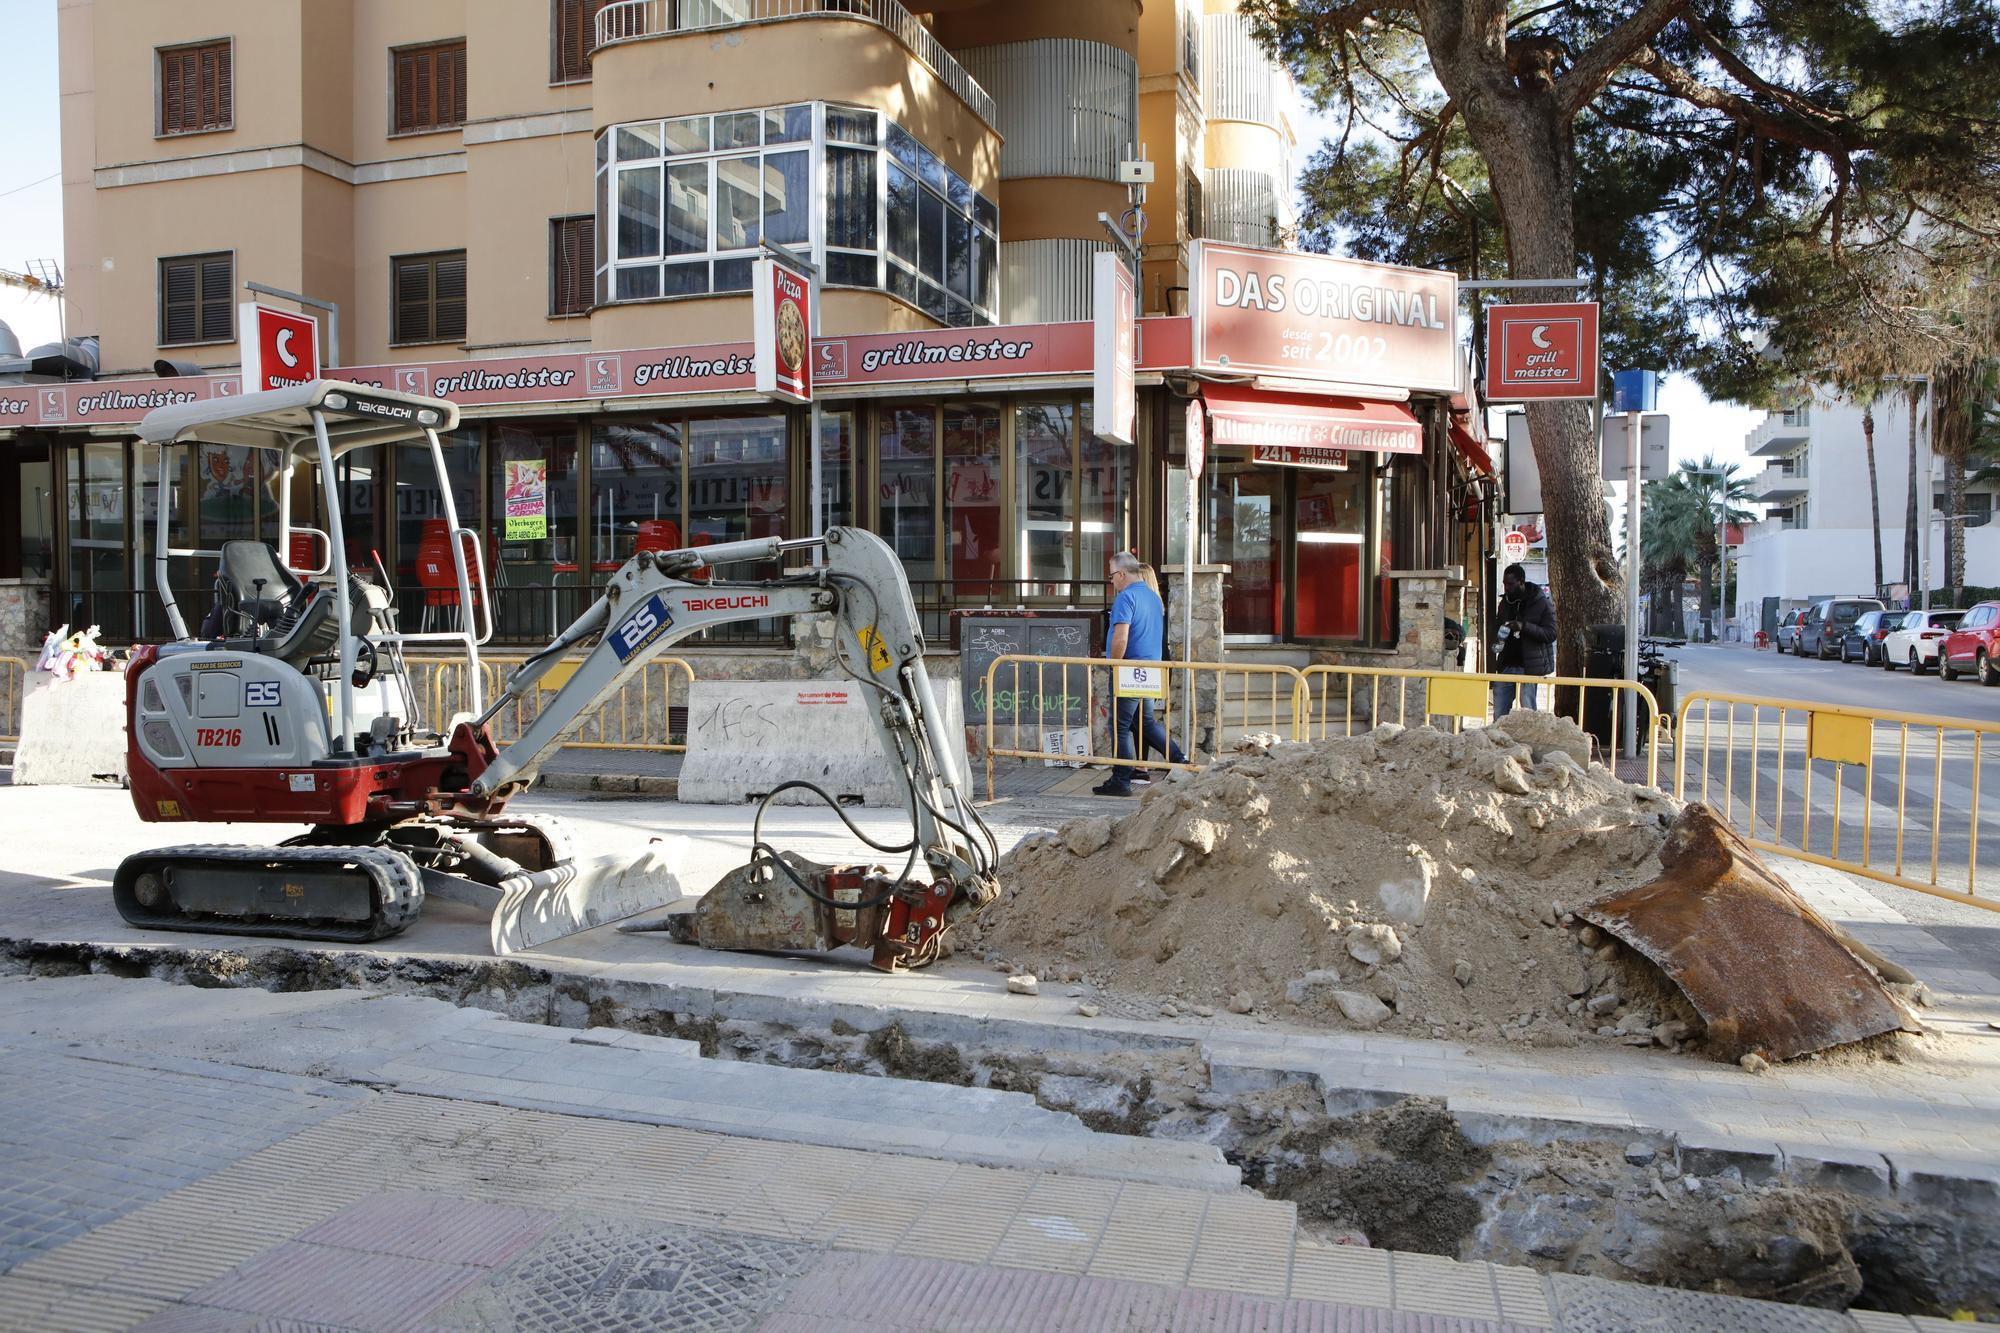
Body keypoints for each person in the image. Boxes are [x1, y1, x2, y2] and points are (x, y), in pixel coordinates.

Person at [1096, 550, 1186, 796]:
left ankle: (1121, 779)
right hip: (1150, 669)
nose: (1111, 580)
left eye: (1112, 575)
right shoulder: (1152, 596)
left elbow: (1121, 636)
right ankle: (1180, 760)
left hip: (1128, 669)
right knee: (1145, 723)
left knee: (1121, 726)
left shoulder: (1126, 598)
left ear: (1122, 573)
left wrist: (1114, 663)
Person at [1491, 562, 1556, 717]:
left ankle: (1529, 741)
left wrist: (1524, 627)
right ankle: (1497, 739)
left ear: (1521, 582)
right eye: (1504, 584)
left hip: (1529, 666)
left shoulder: (1541, 602)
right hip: (1506, 663)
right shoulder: (1505, 603)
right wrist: (1499, 636)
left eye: (1510, 584)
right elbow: (1497, 626)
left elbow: (1551, 633)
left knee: (1528, 712)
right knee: (1499, 711)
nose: (1506, 588)